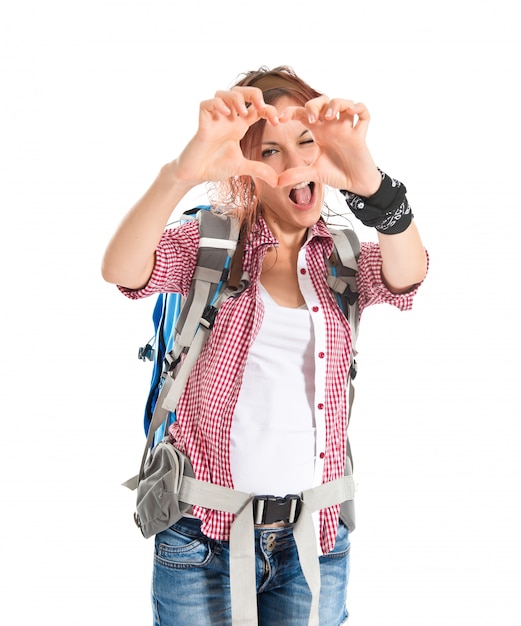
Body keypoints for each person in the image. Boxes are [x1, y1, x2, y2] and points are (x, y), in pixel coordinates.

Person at [102, 65, 428, 626]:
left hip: (316, 539)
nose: (295, 161)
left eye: (305, 142)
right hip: (200, 534)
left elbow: (408, 274)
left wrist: (370, 182)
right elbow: (122, 269)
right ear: (245, 170)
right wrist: (183, 171)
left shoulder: (342, 257)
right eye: (270, 150)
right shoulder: (210, 243)